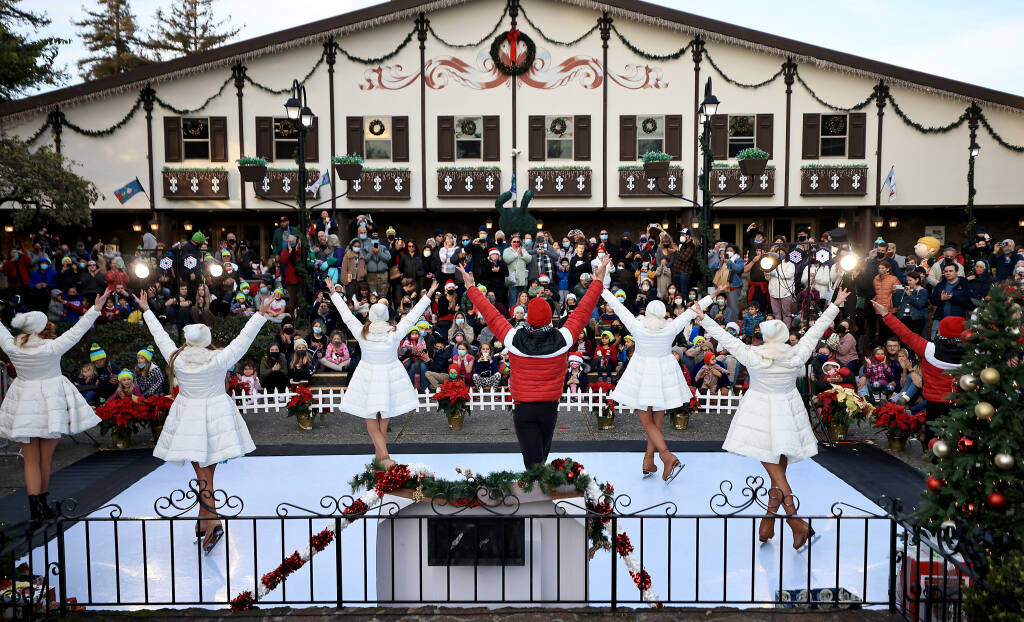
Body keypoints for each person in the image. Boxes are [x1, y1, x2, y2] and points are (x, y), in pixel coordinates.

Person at [694, 288, 850, 550]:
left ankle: (795, 522)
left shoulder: (754, 355)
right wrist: (833, 306)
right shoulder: (796, 353)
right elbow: (814, 333)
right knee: (779, 472)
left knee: (777, 474)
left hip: (761, 413)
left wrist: (704, 320)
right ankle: (769, 524)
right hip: (788, 411)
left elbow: (727, 341)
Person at [134, 290, 271, 555]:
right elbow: (243, 340)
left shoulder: (176, 358)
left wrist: (148, 311)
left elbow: (160, 337)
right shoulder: (218, 359)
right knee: (205, 472)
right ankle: (207, 519)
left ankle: (211, 520)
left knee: (203, 473)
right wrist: (260, 315)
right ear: (207, 339)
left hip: (189, 416)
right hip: (215, 414)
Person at [459, 258, 608, 468]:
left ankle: (538, 494)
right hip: (549, 408)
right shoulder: (563, 338)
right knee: (541, 460)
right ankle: (540, 494)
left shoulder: (513, 338)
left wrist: (471, 288)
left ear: (528, 319)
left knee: (535, 464)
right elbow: (583, 312)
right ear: (550, 319)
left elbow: (491, 314)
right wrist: (597, 283)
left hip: (524, 409)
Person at [0, 288, 111, 523]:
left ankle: (36, 509)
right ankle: (44, 504)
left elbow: (0, 330)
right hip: (50, 405)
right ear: (42, 328)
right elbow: (77, 331)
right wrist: (96, 308)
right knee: (44, 460)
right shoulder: (52, 347)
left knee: (30, 461)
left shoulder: (12, 347)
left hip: (24, 405)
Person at [600, 283, 723, 480]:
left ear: (647, 312)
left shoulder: (637, 326)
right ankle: (649, 460)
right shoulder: (671, 327)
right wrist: (713, 295)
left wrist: (602, 287)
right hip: (664, 373)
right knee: (655, 419)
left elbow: (618, 307)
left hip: (642, 373)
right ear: (664, 313)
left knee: (646, 420)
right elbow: (691, 312)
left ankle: (665, 455)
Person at [327, 276, 437, 468]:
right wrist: (427, 295)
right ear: (386, 315)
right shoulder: (394, 332)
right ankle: (384, 456)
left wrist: (334, 294)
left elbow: (346, 315)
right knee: (383, 417)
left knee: (371, 417)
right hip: (388, 376)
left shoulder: (361, 331)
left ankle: (380, 458)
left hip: (368, 376)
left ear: (371, 315)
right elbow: (412, 316)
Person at [873, 301, 963, 445]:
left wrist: (886, 315)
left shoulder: (929, 349)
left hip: (934, 403)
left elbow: (906, 334)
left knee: (933, 439)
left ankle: (934, 462)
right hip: (960, 403)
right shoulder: (972, 354)